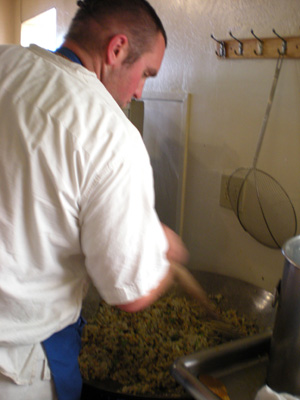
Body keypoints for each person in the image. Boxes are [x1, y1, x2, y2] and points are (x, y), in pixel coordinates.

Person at [0, 1, 189, 399]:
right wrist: (163, 250)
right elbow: (130, 294)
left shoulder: (6, 63)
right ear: (117, 49)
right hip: (14, 366)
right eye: (146, 74)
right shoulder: (110, 133)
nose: (139, 91)